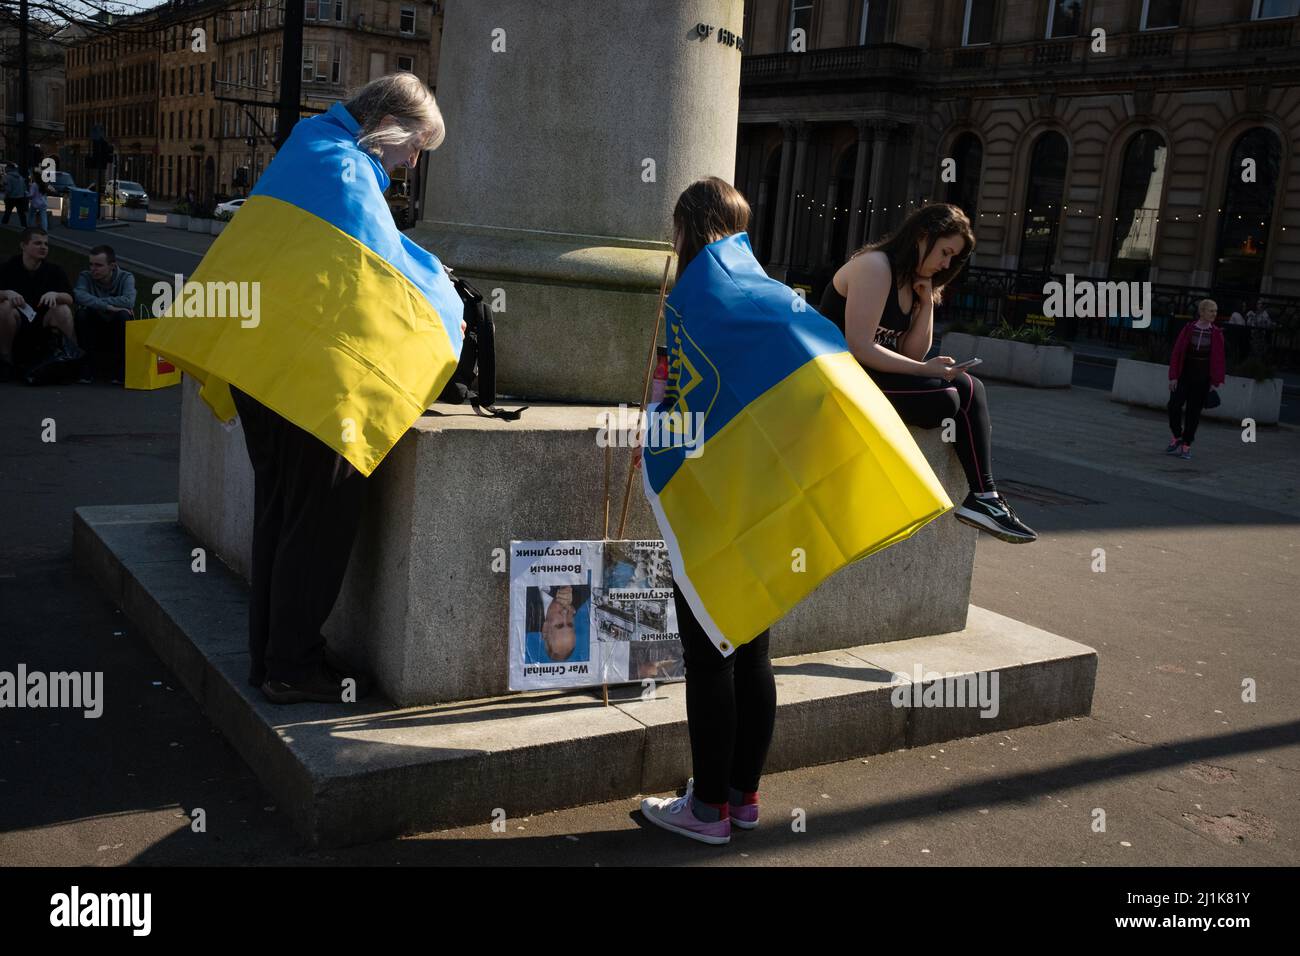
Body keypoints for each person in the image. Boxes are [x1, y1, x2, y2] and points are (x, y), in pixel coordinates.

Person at [219, 74, 458, 704]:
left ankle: (271, 657)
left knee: (279, 508)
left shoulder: (307, 147)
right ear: (388, 127)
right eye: (414, 147)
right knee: (320, 516)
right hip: (307, 377)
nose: (412, 163)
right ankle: (293, 667)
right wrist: (446, 298)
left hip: (260, 366)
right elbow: (385, 274)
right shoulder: (350, 171)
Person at [636, 178, 777, 846]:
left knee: (707, 654)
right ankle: (743, 797)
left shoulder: (687, 302)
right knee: (752, 649)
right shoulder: (770, 298)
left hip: (709, 498)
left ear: (684, 230)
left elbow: (671, 405)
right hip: (767, 495)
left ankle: (707, 811)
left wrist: (648, 444)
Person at [819, 202, 1037, 543]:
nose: (946, 264)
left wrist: (925, 303)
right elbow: (860, 346)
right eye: (945, 252)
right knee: (948, 397)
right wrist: (924, 370)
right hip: (840, 380)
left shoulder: (914, 282)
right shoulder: (875, 267)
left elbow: (911, 351)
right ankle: (984, 500)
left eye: (953, 259)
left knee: (969, 385)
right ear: (923, 236)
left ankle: (984, 498)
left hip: (873, 377)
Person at [0, 227, 79, 381]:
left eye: (46, 244)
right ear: (23, 246)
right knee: (3, 307)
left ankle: (66, 357)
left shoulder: (54, 270)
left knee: (62, 309)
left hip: (43, 321)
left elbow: (69, 298)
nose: (43, 247)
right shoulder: (8, 267)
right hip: (17, 322)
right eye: (37, 243)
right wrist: (6, 293)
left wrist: (56, 295)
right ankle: (5, 359)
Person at [1165, 298, 1225, 461]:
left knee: (1193, 413)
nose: (1214, 314)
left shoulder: (1216, 333)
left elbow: (1219, 358)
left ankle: (1186, 445)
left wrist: (1215, 382)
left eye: (1215, 311)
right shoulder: (1188, 329)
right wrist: (1173, 377)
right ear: (1202, 312)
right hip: (1184, 375)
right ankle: (1177, 436)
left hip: (1203, 378)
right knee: (1173, 405)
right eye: (1211, 310)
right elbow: (1177, 353)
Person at [73, 245, 136, 383]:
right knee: (81, 314)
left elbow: (129, 301)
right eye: (91, 264)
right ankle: (86, 368)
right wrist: (108, 306)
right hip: (95, 322)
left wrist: (96, 302)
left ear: (112, 266)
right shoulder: (85, 276)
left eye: (98, 265)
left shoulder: (126, 277)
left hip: (115, 323)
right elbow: (78, 295)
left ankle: (121, 370)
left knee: (123, 316)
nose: (93, 269)